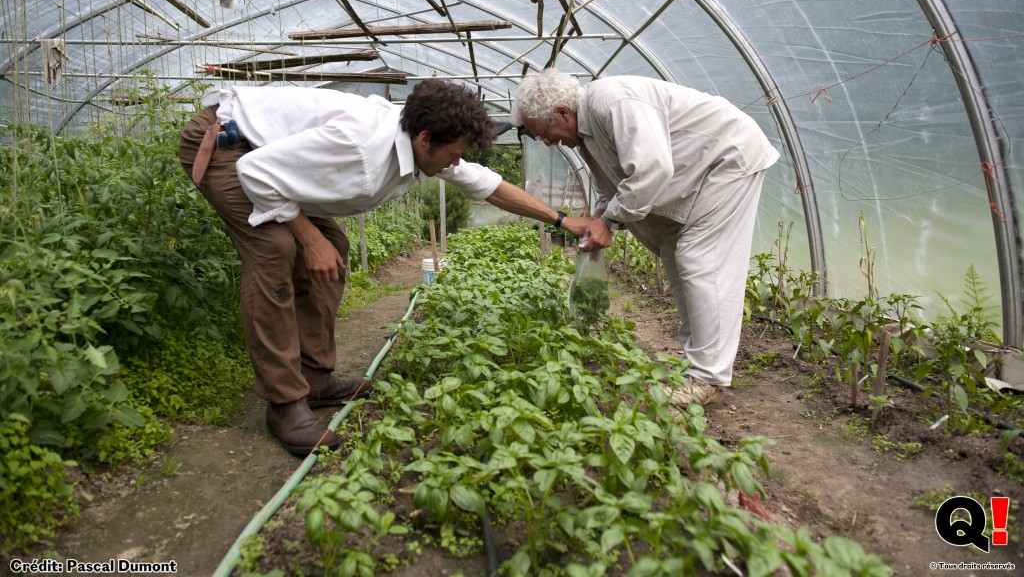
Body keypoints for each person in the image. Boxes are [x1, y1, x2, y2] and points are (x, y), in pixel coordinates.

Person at [179, 79, 588, 456]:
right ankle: (284, 403)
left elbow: (490, 186)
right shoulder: (360, 148)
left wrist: (561, 220)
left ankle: (315, 378)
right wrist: (308, 237)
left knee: (333, 246)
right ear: (425, 139)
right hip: (230, 149)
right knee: (277, 249)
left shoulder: (422, 140)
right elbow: (256, 173)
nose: (456, 163)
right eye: (454, 154)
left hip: (270, 158)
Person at [512, 69, 779, 407]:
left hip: (726, 160)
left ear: (563, 112)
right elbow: (613, 180)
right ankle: (695, 366)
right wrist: (600, 215)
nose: (549, 142)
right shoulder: (584, 132)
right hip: (694, 176)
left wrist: (609, 221)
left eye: (545, 133)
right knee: (677, 259)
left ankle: (707, 376)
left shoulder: (611, 103)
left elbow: (652, 169)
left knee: (700, 258)